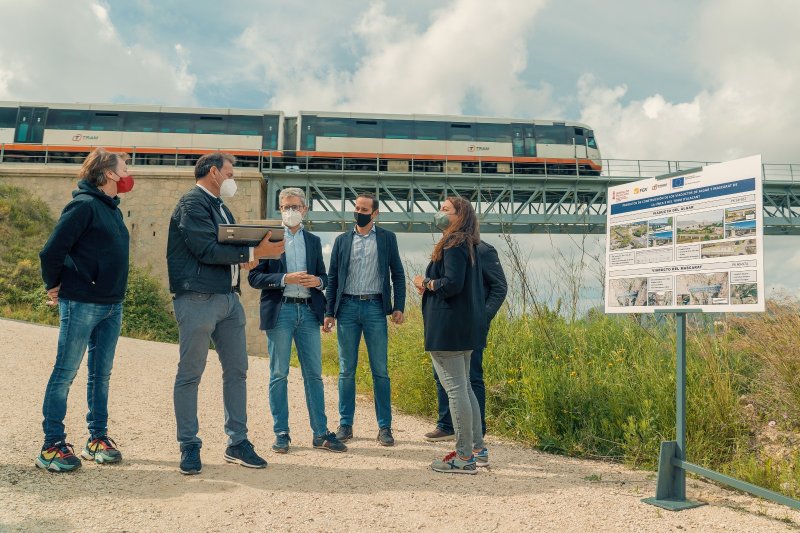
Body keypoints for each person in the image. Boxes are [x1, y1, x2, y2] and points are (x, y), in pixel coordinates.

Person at [167, 151, 283, 475]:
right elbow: (205, 248)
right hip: (197, 298)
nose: (232, 179)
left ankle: (237, 442)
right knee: (191, 373)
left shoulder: (222, 208)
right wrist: (253, 251)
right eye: (230, 173)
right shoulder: (192, 203)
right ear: (214, 172)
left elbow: (228, 250)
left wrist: (247, 257)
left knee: (237, 371)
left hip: (229, 300)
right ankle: (189, 445)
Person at [36, 148, 135, 472]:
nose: (128, 172)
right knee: (66, 373)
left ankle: (97, 439)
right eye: (124, 166)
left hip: (111, 305)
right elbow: (51, 250)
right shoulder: (84, 205)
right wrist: (54, 285)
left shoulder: (112, 209)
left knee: (100, 376)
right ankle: (51, 446)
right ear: (108, 173)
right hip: (81, 303)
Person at [248, 187, 347, 454]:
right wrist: (284, 279)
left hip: (308, 312)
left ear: (304, 209)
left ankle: (321, 433)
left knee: (313, 375)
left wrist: (318, 282)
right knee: (278, 374)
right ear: (279, 210)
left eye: (295, 207)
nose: (290, 211)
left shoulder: (314, 241)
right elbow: (254, 278)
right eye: (285, 207)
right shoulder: (267, 239)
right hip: (280, 312)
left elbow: (325, 277)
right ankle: (281, 433)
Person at [323, 192, 406, 446]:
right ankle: (345, 425)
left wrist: (398, 306)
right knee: (346, 370)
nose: (358, 212)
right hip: (346, 307)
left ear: (375, 213)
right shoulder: (341, 240)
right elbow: (333, 278)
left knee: (380, 370)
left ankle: (385, 427)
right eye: (356, 208)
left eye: (364, 209)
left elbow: (398, 274)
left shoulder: (387, 239)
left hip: (374, 308)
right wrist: (329, 312)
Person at [413, 196, 486, 474]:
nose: (439, 213)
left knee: (456, 391)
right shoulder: (468, 244)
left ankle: (465, 457)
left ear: (460, 216)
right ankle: (477, 449)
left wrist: (426, 282)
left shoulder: (454, 244)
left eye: (446, 210)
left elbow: (453, 284)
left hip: (448, 330)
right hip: (462, 328)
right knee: (464, 388)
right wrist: (434, 285)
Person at [424, 240, 507, 444]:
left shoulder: (483, 250)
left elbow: (499, 287)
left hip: (469, 326)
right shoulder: (448, 246)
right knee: (445, 378)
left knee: (470, 380)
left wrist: (481, 317)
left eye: (446, 209)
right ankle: (447, 425)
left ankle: (474, 435)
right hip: (449, 325)